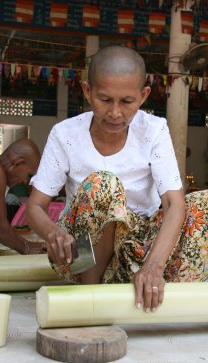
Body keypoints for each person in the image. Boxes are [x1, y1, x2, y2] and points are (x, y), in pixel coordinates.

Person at [26, 46, 208, 313]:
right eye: (104, 99)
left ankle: (143, 280)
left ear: (143, 95)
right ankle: (90, 300)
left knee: (203, 206)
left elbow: (173, 203)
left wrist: (153, 265)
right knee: (103, 184)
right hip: (81, 257)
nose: (115, 112)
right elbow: (34, 207)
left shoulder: (154, 130)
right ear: (87, 92)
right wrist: (54, 233)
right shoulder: (64, 134)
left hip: (137, 253)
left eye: (127, 101)